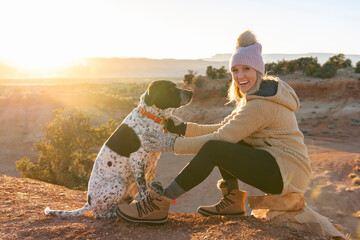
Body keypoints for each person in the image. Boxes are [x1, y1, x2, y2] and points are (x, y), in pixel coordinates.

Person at [115, 30, 312, 224]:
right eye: (235, 70)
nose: (239, 75)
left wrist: (172, 144)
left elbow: (221, 138)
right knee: (230, 140)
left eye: (246, 69)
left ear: (258, 71)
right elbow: (224, 129)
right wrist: (182, 128)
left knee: (215, 148)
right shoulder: (256, 96)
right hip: (283, 168)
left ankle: (161, 203)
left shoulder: (261, 104)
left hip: (287, 174)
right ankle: (233, 201)